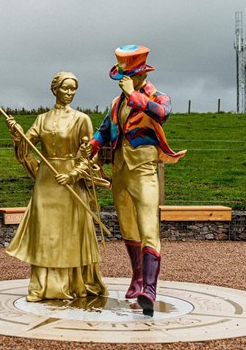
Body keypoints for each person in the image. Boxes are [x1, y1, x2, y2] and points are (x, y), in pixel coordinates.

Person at [87, 44, 186, 315]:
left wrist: (135, 95)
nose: (122, 84)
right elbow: (105, 127)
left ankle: (150, 290)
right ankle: (137, 278)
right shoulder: (116, 103)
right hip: (120, 172)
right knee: (128, 227)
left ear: (141, 76)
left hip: (144, 171)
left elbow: (162, 114)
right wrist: (94, 144)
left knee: (148, 227)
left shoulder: (157, 96)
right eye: (121, 80)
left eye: (126, 78)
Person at [5, 71, 107, 302]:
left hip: (70, 183)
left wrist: (72, 175)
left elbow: (90, 156)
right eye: (65, 88)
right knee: (45, 232)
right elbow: (26, 146)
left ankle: (72, 284)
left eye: (73, 89)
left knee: (70, 231)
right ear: (55, 90)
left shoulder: (82, 119)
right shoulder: (42, 119)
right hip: (46, 182)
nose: (69, 93)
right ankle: (42, 285)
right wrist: (16, 132)